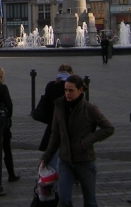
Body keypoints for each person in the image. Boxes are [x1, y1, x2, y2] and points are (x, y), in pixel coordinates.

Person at [40, 75, 115, 207]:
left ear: (80, 90)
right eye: (66, 90)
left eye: (71, 90)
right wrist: (46, 156)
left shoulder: (89, 109)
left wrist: (88, 140)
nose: (67, 93)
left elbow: (108, 128)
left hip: (85, 161)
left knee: (90, 202)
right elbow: (55, 134)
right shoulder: (59, 107)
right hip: (65, 161)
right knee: (63, 200)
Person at [39, 64, 73, 171]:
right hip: (68, 123)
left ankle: (52, 177)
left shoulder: (51, 85)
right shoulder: (71, 86)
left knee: (53, 150)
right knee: (69, 151)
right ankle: (72, 175)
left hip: (53, 123)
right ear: (70, 73)